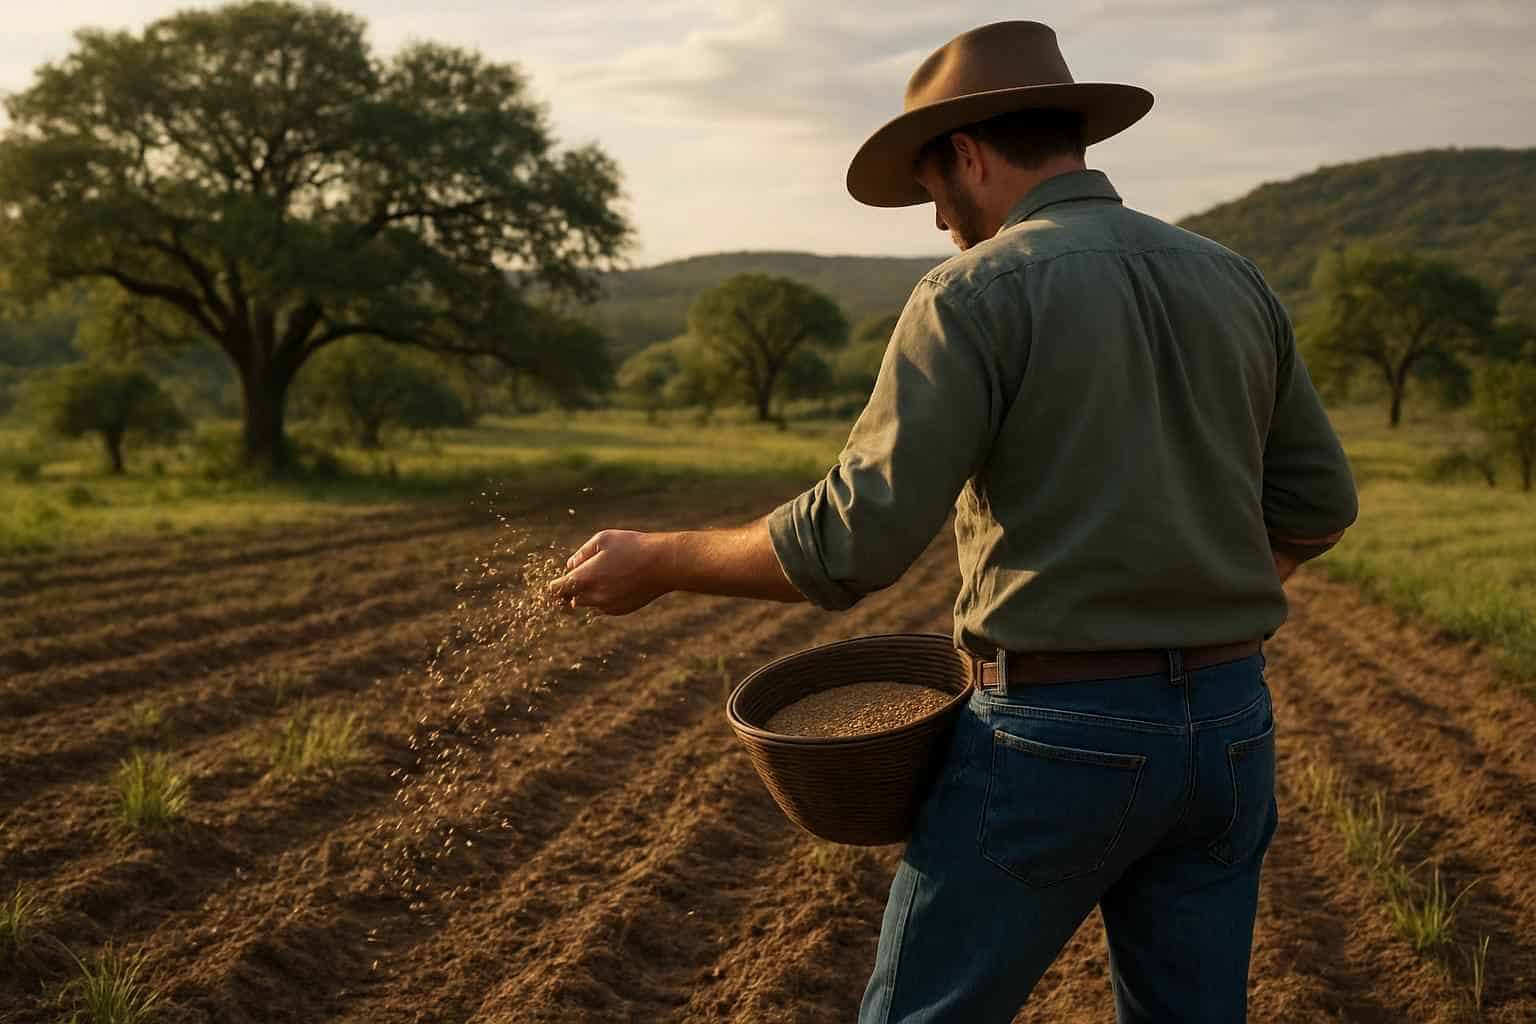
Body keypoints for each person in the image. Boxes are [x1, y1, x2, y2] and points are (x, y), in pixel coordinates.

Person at [550, 19, 1358, 1024]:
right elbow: (1322, 507)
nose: (938, 220)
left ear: (968, 156)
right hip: (1232, 731)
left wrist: (665, 558)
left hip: (1054, 742)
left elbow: (855, 539)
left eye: (933, 189)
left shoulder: (971, 294)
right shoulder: (1234, 279)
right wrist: (1189, 604)